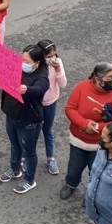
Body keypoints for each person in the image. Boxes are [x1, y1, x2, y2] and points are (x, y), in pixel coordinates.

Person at [60, 62, 112, 200]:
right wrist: (84, 124)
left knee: (97, 171)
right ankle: (71, 184)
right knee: (74, 167)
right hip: (78, 140)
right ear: (98, 79)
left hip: (101, 144)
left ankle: (92, 194)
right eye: (109, 77)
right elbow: (70, 109)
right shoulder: (82, 87)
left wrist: (97, 127)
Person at [0, 45, 49, 194]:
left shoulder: (41, 77)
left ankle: (29, 179)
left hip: (29, 121)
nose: (23, 63)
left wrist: (27, 89)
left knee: (29, 151)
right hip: (11, 115)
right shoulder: (16, 68)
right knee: (14, 145)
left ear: (37, 62)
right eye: (22, 59)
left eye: (27, 61)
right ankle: (15, 169)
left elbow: (40, 89)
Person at [38, 39, 67, 175]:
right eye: (49, 56)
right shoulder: (35, 65)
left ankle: (50, 158)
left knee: (48, 130)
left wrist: (58, 70)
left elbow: (63, 84)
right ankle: (26, 157)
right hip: (35, 103)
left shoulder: (57, 63)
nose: (52, 58)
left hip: (50, 102)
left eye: (54, 55)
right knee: (32, 132)